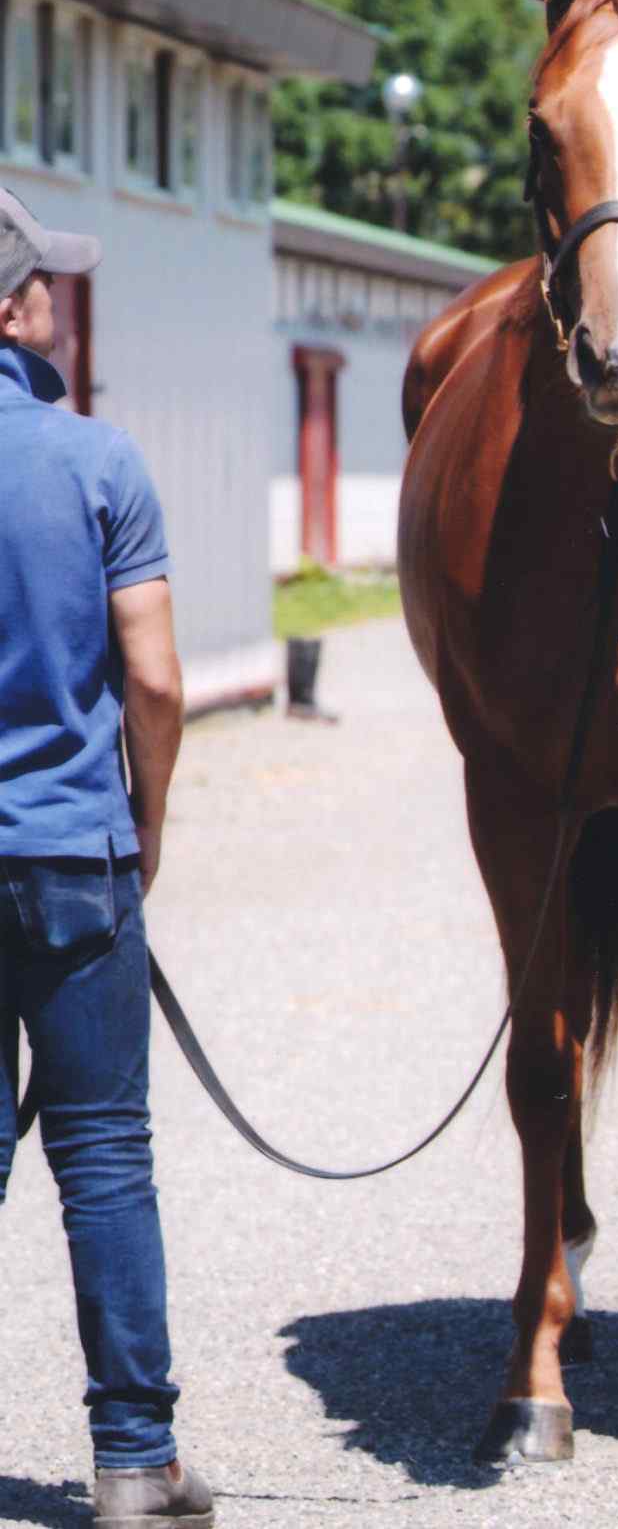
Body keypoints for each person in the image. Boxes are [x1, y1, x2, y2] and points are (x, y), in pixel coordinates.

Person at [0, 188, 213, 1528]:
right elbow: (158, 678)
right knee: (106, 1156)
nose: (58, 304)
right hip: (79, 855)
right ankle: (135, 1461)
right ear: (12, 308)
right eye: (45, 286)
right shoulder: (99, 464)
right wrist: (147, 823)